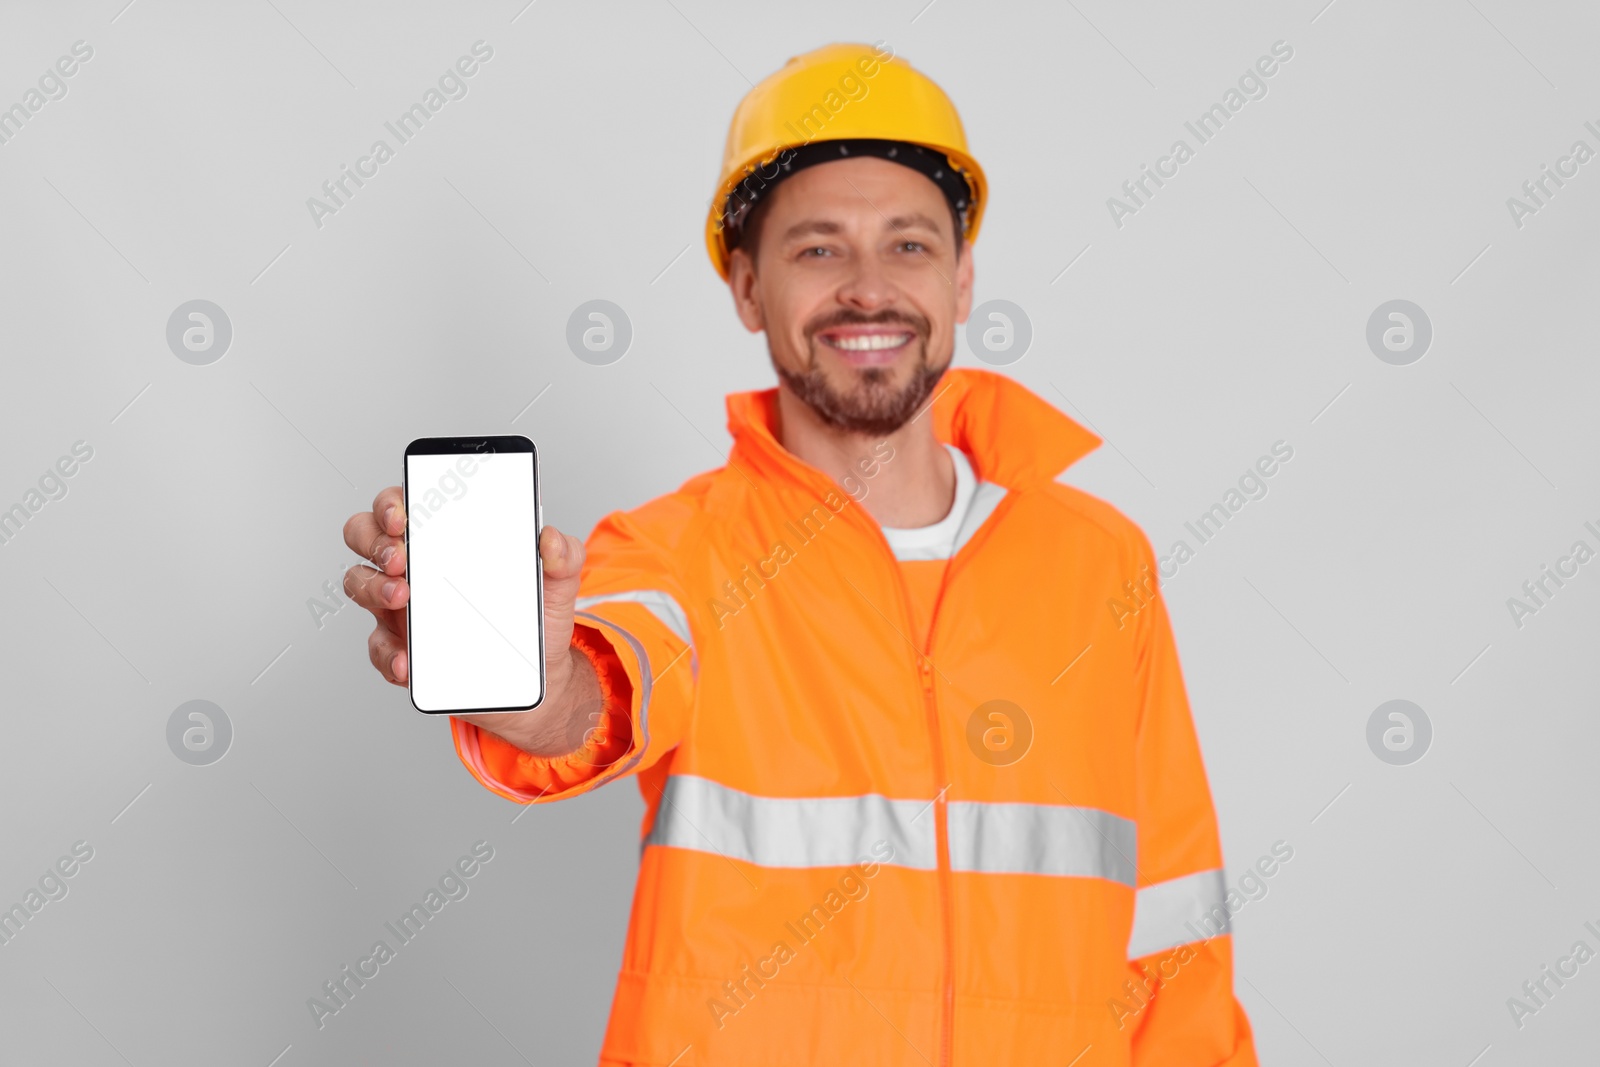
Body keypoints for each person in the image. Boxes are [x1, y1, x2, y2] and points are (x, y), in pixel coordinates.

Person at [342, 41, 1257, 1066]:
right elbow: (593, 693)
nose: (868, 289)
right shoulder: (677, 549)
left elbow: (1175, 925)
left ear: (961, 281)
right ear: (746, 287)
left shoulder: (1098, 562)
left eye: (908, 246)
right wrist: (532, 683)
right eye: (818, 249)